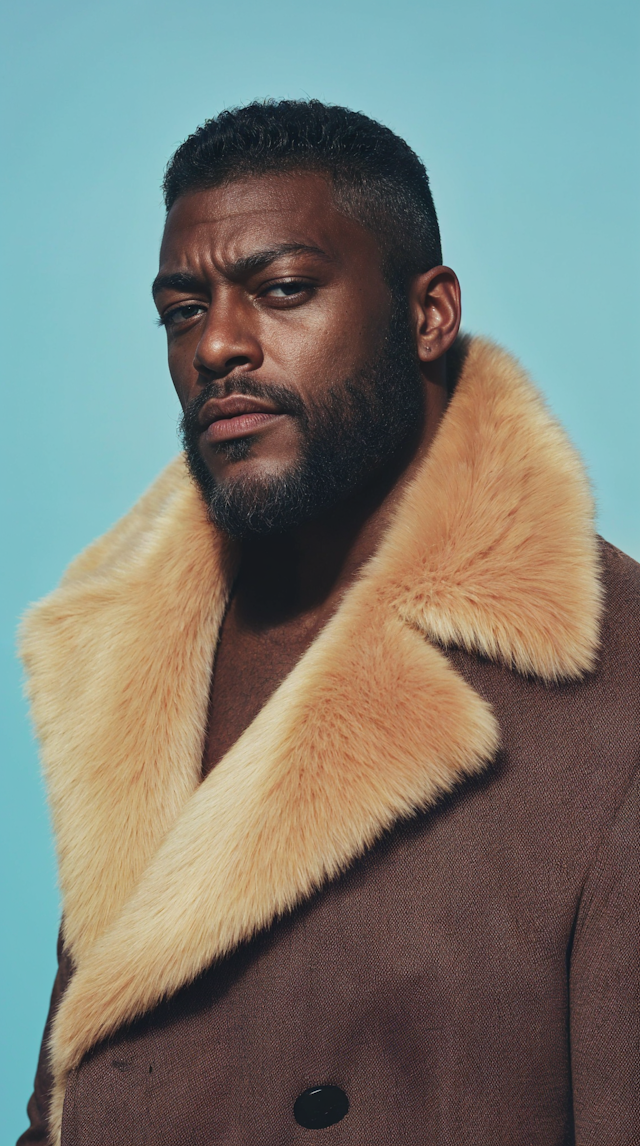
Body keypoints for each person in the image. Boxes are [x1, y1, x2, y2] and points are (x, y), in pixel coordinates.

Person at [18, 100, 639, 1146]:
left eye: (283, 290)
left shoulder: (614, 686)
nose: (216, 343)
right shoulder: (126, 649)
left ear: (427, 314)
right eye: (181, 309)